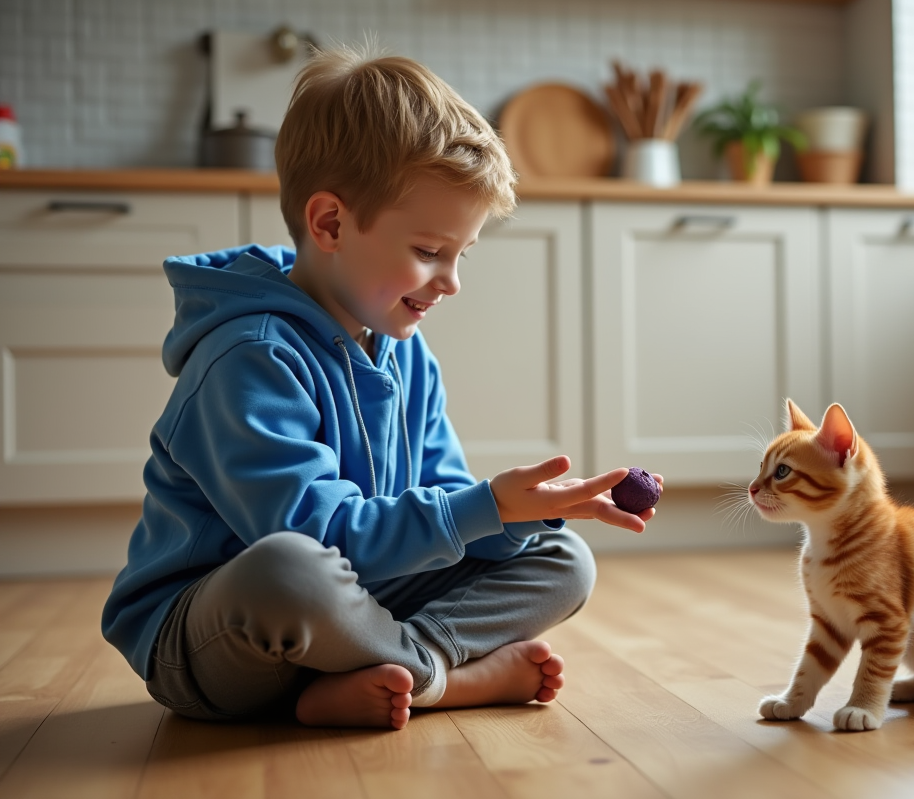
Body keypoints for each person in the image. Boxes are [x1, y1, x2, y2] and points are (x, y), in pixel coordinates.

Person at [100, 45, 662, 730]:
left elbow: (440, 510)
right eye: (429, 252)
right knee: (289, 569)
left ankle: (400, 666)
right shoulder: (246, 358)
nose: (451, 281)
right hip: (220, 641)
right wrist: (476, 509)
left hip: (360, 608)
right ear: (330, 223)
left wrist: (512, 516)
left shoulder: (405, 352)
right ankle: (441, 679)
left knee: (564, 558)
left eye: (462, 254)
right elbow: (316, 534)